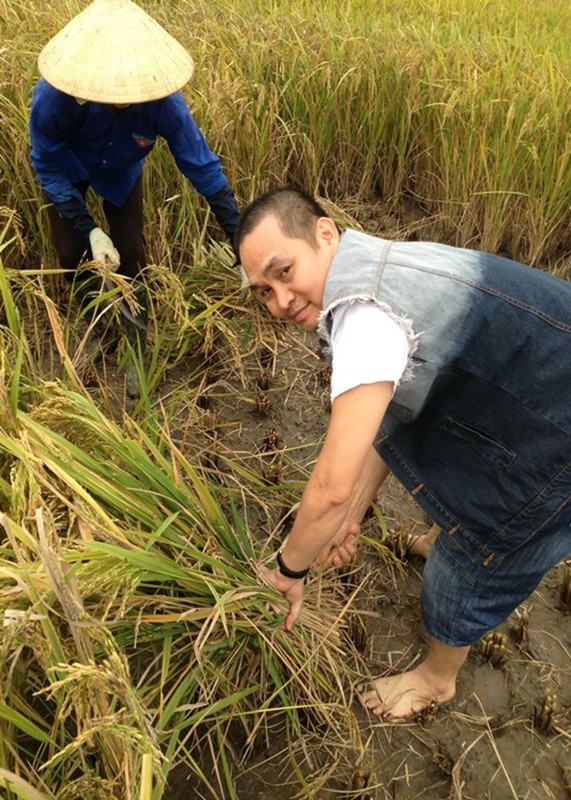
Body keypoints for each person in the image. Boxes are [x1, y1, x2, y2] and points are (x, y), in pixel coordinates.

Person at [235, 186, 571, 720]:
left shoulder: (364, 316)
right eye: (262, 290)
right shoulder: (374, 263)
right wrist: (352, 517)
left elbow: (329, 488)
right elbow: (391, 415)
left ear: (324, 233)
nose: (279, 301)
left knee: (477, 556)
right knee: (428, 430)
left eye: (283, 271)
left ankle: (437, 679)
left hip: (555, 427)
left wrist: (287, 573)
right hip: (523, 383)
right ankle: (442, 528)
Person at [29, 0, 240, 395]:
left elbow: (202, 165)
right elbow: (49, 166)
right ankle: (96, 324)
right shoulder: (54, 101)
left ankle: (136, 345)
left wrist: (238, 235)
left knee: (131, 251)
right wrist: (88, 228)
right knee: (70, 254)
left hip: (121, 173)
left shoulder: (163, 104)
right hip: (68, 172)